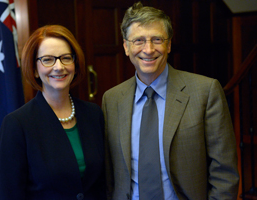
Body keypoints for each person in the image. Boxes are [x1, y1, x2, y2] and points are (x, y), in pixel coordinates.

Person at [102, 2, 239, 200]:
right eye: (138, 40)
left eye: (157, 39)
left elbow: (224, 172)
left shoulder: (205, 92)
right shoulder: (112, 99)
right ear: (126, 47)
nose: (148, 49)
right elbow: (109, 175)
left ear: (169, 44)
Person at [0, 25, 106, 200]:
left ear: (75, 65)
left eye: (66, 58)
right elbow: (7, 194)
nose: (59, 67)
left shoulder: (93, 114)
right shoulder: (17, 124)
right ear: (34, 69)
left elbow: (102, 183)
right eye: (48, 60)